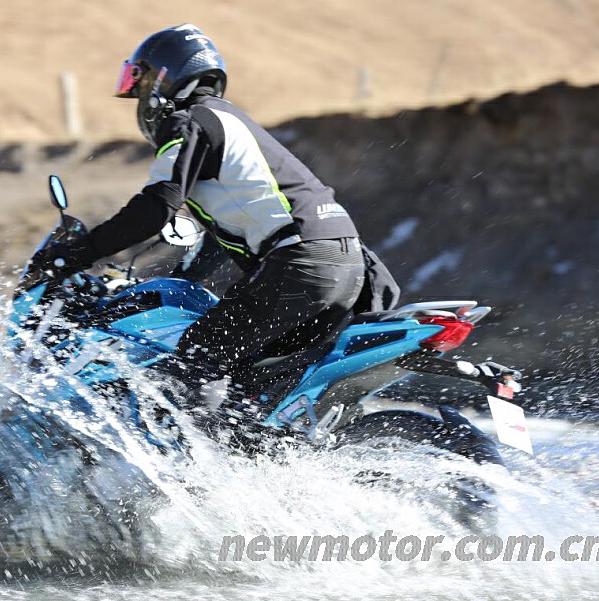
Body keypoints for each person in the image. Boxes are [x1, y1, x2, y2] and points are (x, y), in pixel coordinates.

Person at [22, 24, 399, 399]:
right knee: (250, 387)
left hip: (302, 264)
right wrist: (181, 276)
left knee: (197, 357)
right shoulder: (230, 123)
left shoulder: (190, 121)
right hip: (345, 267)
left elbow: (155, 207)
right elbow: (219, 243)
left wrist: (75, 255)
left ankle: (190, 460)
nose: (141, 100)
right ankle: (268, 454)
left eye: (143, 84)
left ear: (163, 79)